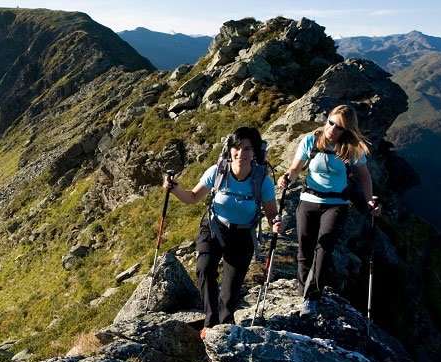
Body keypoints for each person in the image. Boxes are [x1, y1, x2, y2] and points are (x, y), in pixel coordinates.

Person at [163, 127, 282, 337]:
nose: (241, 153)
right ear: (230, 149)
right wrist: (173, 189)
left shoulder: (262, 180)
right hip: (214, 227)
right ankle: (210, 323)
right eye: (237, 147)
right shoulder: (217, 171)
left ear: (255, 152)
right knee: (205, 268)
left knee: (230, 290)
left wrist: (276, 222)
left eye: (247, 149)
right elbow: (192, 198)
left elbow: (272, 213)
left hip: (242, 235)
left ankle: (225, 327)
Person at [277, 104, 381, 317]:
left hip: (336, 204)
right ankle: (303, 289)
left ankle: (311, 297)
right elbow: (295, 169)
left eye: (339, 127)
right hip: (308, 200)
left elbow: (364, 177)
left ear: (347, 130)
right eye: (331, 123)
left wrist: (370, 201)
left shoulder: (351, 149)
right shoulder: (310, 141)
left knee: (324, 247)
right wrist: (287, 177)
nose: (332, 129)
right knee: (305, 248)